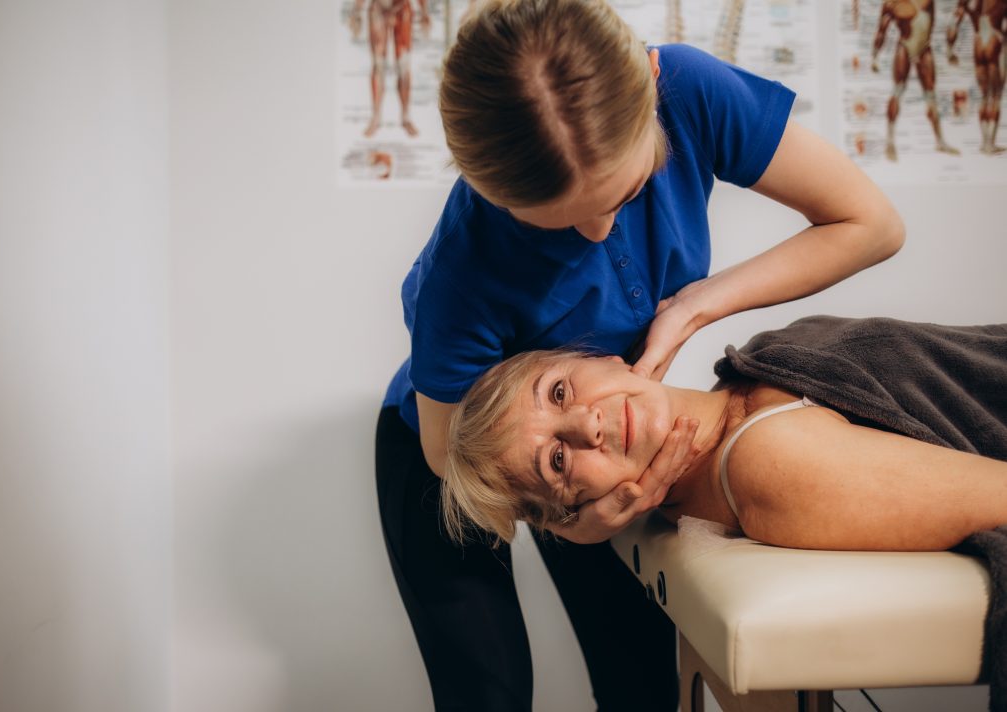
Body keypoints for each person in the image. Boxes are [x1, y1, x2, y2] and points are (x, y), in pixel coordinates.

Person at [377, 1, 904, 709]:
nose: (598, 233)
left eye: (624, 196)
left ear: (653, 97)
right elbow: (451, 460)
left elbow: (870, 224)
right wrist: (570, 519)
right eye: (560, 225)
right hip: (446, 459)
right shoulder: (460, 273)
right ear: (487, 190)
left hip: (582, 460)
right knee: (487, 691)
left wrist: (697, 303)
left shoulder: (686, 88)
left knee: (640, 684)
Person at [442, 316, 1007, 551]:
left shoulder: (749, 368)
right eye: (557, 462)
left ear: (600, 356)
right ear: (581, 510)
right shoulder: (766, 464)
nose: (586, 423)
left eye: (559, 392)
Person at [872, 0, 959, 161]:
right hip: (905, 46)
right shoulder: (891, 3)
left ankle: (939, 141)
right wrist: (875, 56)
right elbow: (881, 30)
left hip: (924, 47)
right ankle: (890, 141)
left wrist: (946, 50)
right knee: (897, 91)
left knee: (931, 95)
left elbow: (930, 22)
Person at [349, 0, 430, 137]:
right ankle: (376, 117)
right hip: (379, 8)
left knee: (403, 65)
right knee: (378, 64)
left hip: (402, 8)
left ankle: (405, 117)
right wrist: (357, 10)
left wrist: (424, 11)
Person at [947, 0, 1007, 155]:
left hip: (978, 40)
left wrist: (950, 50)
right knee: (996, 97)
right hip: (995, 39)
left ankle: (983, 142)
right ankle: (990, 144)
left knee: (983, 97)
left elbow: (954, 22)